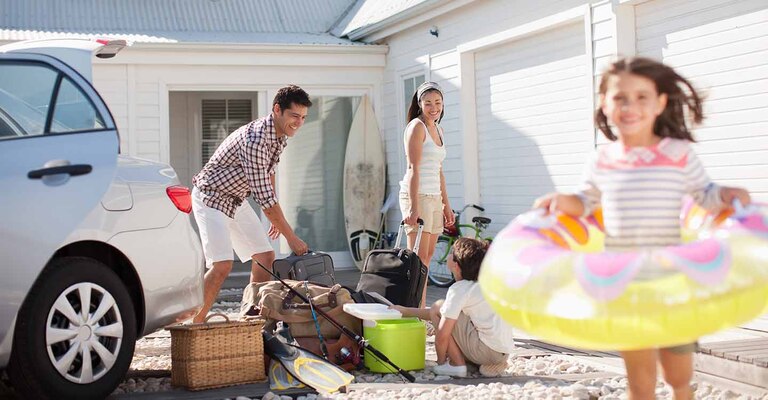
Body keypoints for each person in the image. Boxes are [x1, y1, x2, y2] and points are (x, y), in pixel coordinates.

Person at [533, 57, 751, 400]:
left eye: (641, 97)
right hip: (627, 284)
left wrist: (725, 194)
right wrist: (561, 201)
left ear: (660, 103)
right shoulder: (603, 160)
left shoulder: (678, 153)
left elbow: (704, 195)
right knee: (639, 381)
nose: (630, 107)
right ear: (604, 104)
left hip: (672, 282)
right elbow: (585, 202)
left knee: (678, 376)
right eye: (620, 98)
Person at [191, 85, 312, 323]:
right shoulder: (256, 139)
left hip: (236, 199)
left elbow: (269, 174)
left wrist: (274, 218)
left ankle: (251, 320)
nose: (298, 123)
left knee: (265, 257)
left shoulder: (279, 135)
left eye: (303, 117)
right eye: (294, 116)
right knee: (222, 265)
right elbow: (264, 196)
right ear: (277, 109)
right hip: (211, 197)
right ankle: (191, 326)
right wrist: (292, 238)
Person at [394, 238, 516, 378]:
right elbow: (442, 313)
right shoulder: (484, 285)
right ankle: (487, 364)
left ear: (456, 265)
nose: (448, 254)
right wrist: (405, 311)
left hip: (486, 351)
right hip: (502, 352)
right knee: (444, 311)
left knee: (438, 306)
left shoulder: (460, 289)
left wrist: (440, 362)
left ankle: (456, 365)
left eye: (451, 252)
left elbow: (441, 329)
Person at [399, 81, 455, 308]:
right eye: (428, 103)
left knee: (428, 257)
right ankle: (415, 310)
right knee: (417, 258)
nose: (434, 108)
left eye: (438, 102)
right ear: (420, 104)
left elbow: (439, 171)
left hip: (434, 197)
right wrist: (413, 207)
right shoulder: (417, 127)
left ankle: (420, 309)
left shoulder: (439, 129)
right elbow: (413, 168)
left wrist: (446, 205)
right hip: (417, 196)